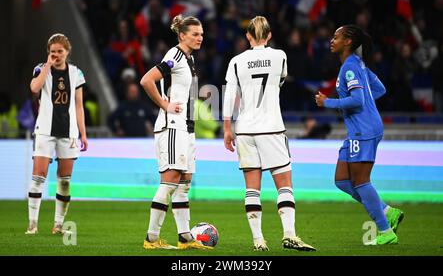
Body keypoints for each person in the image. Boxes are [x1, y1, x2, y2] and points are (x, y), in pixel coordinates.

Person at [223, 16, 316, 252]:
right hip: (272, 127)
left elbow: (229, 96)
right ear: (270, 35)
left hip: (245, 129)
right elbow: (281, 81)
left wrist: (227, 128)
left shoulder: (236, 61)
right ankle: (290, 235)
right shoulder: (280, 56)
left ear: (248, 36)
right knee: (284, 185)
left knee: (252, 188)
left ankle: (258, 240)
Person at [315, 25, 404, 245]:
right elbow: (380, 89)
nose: (331, 40)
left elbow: (357, 100)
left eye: (336, 36)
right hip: (358, 129)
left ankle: (385, 231)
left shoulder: (350, 68)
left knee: (361, 181)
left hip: (363, 130)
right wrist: (366, 104)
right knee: (342, 181)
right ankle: (386, 211)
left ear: (348, 41)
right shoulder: (357, 64)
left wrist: (328, 102)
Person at [139, 15, 210, 250]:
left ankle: (185, 237)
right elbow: (147, 80)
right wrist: (164, 104)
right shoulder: (175, 54)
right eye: (195, 34)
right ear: (182, 35)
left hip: (187, 128)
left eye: (201, 34)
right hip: (173, 126)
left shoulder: (189, 59)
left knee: (184, 183)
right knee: (170, 181)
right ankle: (151, 239)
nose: (200, 37)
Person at [26, 33, 88, 235]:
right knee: (38, 177)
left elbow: (79, 107)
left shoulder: (76, 73)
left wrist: (83, 134)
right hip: (45, 130)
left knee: (64, 180)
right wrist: (46, 65)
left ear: (67, 52)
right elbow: (34, 88)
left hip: (68, 132)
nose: (56, 55)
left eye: (60, 51)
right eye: (52, 52)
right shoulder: (41, 69)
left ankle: (58, 225)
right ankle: (32, 224)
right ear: (48, 53)